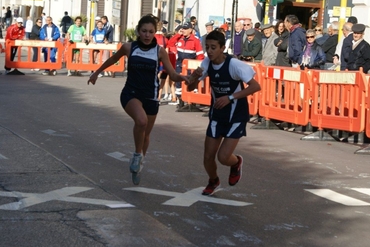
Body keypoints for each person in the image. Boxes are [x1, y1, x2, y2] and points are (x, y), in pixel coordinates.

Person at [88, 14, 190, 185]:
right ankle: (137, 155)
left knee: (146, 134)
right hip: (131, 93)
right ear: (138, 31)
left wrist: (183, 78)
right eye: (144, 31)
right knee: (141, 122)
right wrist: (96, 72)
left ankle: (140, 161)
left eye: (151, 32)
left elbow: (172, 73)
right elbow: (113, 59)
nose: (147, 35)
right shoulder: (129, 47)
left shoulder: (159, 51)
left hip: (151, 95)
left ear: (155, 33)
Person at [187, 30, 261, 195]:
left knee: (223, 157)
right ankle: (213, 180)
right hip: (217, 115)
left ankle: (236, 163)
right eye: (207, 47)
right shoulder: (207, 63)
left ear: (222, 48)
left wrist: (230, 97)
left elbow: (256, 87)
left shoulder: (234, 65)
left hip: (236, 115)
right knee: (207, 157)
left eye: (213, 47)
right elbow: (190, 87)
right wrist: (193, 78)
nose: (210, 51)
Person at [167, 21, 204, 107]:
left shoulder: (195, 40)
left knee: (190, 82)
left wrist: (198, 67)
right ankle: (181, 101)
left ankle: (192, 103)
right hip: (179, 65)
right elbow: (170, 44)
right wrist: (178, 35)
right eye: (183, 28)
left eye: (185, 29)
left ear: (190, 30)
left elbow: (200, 55)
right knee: (178, 84)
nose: (183, 30)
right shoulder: (179, 38)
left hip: (190, 67)